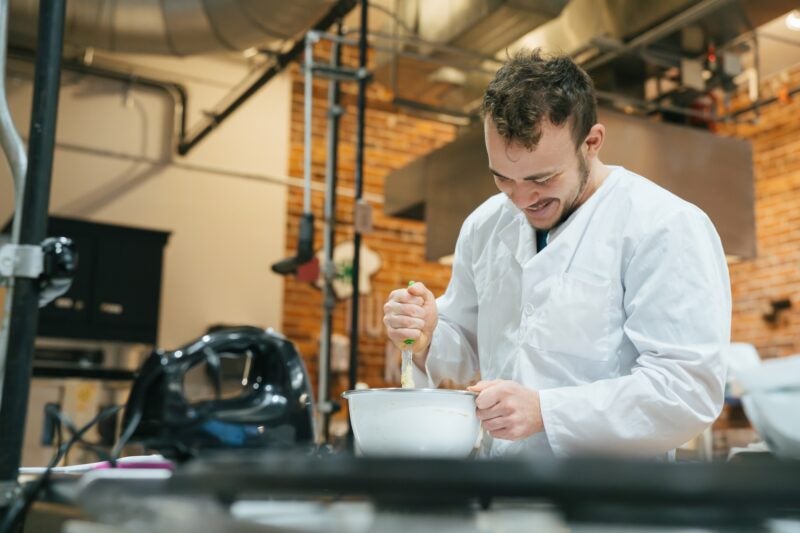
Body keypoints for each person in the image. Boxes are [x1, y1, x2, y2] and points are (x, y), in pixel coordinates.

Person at [382, 49, 731, 459]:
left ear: (592, 143)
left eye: (542, 178)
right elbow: (467, 342)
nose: (522, 199)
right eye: (503, 178)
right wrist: (427, 335)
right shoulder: (485, 226)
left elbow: (686, 389)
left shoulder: (664, 225)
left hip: (612, 505)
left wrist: (547, 411)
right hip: (506, 495)